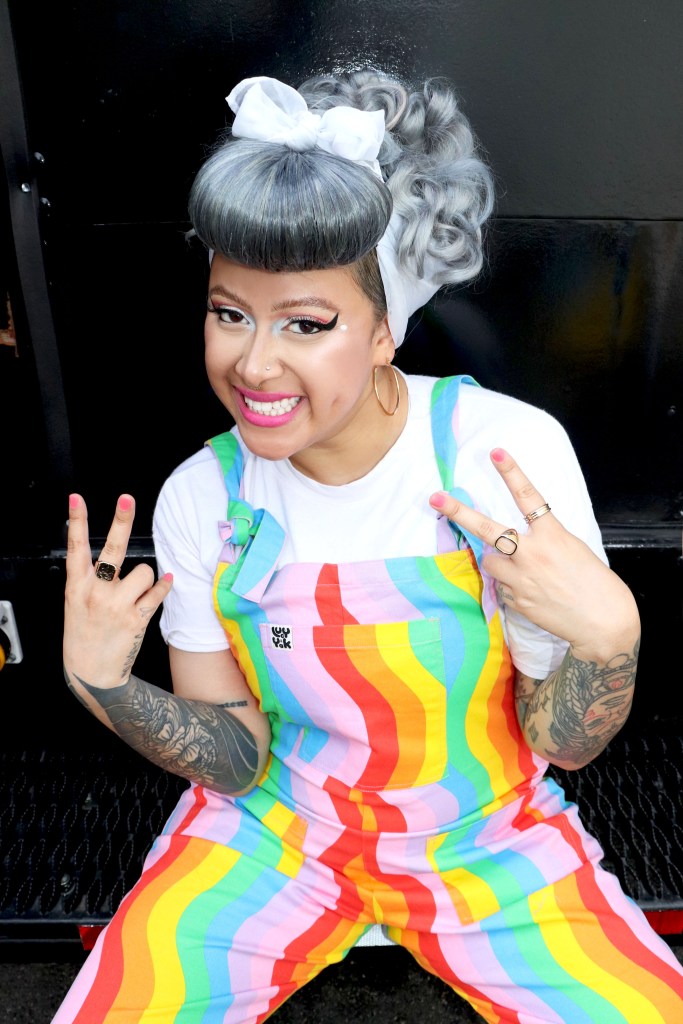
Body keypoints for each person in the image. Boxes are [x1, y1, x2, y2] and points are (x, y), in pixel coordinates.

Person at [56, 70, 683, 1023]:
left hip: (488, 842)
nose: (253, 363)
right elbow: (235, 758)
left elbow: (561, 743)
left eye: (306, 324)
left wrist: (610, 639)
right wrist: (104, 685)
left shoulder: (499, 458)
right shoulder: (202, 495)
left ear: (385, 327)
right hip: (272, 836)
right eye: (230, 312)